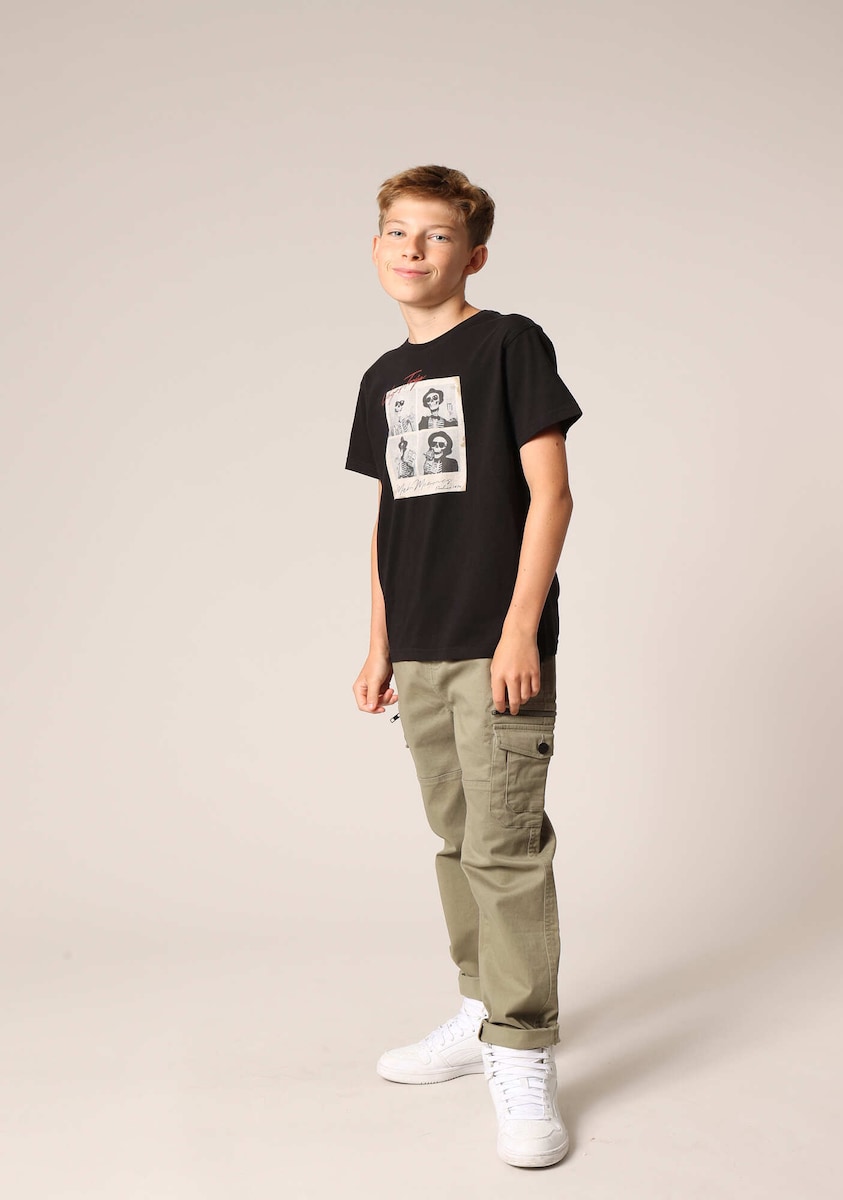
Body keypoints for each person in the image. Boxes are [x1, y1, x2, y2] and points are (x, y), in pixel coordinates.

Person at [346, 164, 581, 1169]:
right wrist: (378, 642)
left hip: (494, 645)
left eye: (437, 235)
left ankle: (523, 1052)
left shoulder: (508, 343)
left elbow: (551, 494)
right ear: (375, 249)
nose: (414, 248)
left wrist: (520, 628)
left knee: (505, 847)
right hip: (421, 647)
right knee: (456, 842)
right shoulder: (380, 378)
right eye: (399, 232)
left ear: (473, 254)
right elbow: (388, 517)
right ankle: (481, 1008)